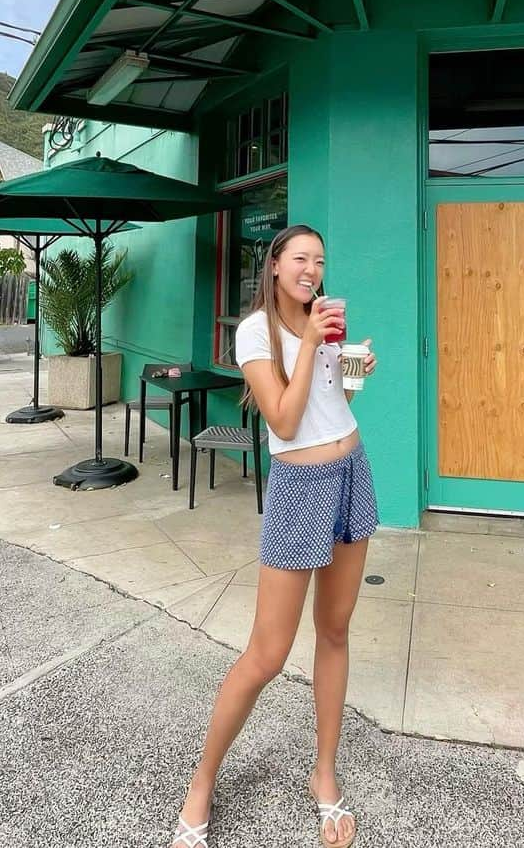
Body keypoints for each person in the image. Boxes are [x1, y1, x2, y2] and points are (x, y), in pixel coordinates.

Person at [170, 224, 378, 848]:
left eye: (320, 259)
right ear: (275, 264)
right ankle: (201, 785)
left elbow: (333, 404)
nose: (312, 268)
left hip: (351, 471)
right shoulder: (255, 330)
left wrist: (355, 364)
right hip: (298, 488)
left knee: (336, 630)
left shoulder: (322, 321)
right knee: (267, 654)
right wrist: (312, 340)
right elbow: (284, 422)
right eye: (300, 258)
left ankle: (325, 775)